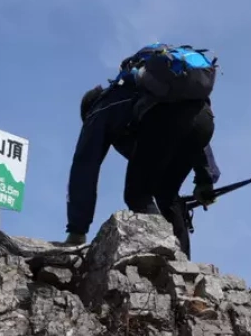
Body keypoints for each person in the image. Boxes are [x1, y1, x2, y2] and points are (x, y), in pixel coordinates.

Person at [65, 47, 221, 245]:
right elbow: (190, 122)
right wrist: (205, 180)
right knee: (166, 193)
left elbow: (85, 165)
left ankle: (163, 255)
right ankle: (181, 264)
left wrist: (77, 230)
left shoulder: (100, 108)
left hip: (163, 123)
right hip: (205, 119)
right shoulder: (142, 92)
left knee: (137, 195)